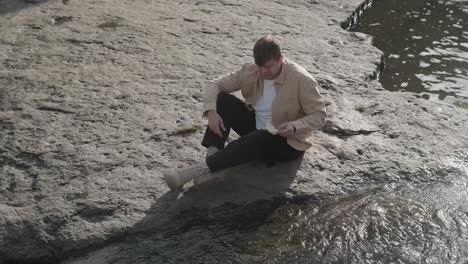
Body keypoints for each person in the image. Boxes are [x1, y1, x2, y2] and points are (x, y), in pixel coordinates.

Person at [163, 35, 327, 191]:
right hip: (256, 127)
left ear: (281, 59)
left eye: (268, 66)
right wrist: (211, 112)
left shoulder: (302, 80)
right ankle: (214, 160)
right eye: (260, 66)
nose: (264, 72)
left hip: (286, 141)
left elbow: (319, 115)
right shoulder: (251, 70)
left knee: (260, 137)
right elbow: (214, 84)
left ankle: (197, 170)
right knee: (223, 100)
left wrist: (294, 125)